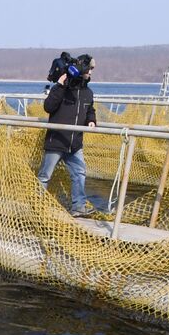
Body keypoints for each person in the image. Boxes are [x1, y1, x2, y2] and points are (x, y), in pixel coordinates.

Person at [38, 54, 98, 217]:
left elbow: (90, 109)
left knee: (79, 173)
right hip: (57, 140)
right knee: (44, 176)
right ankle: (37, 206)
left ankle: (78, 206)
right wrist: (60, 85)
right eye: (89, 69)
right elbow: (48, 107)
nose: (91, 73)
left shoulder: (88, 92)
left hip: (75, 143)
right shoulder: (63, 88)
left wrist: (91, 120)